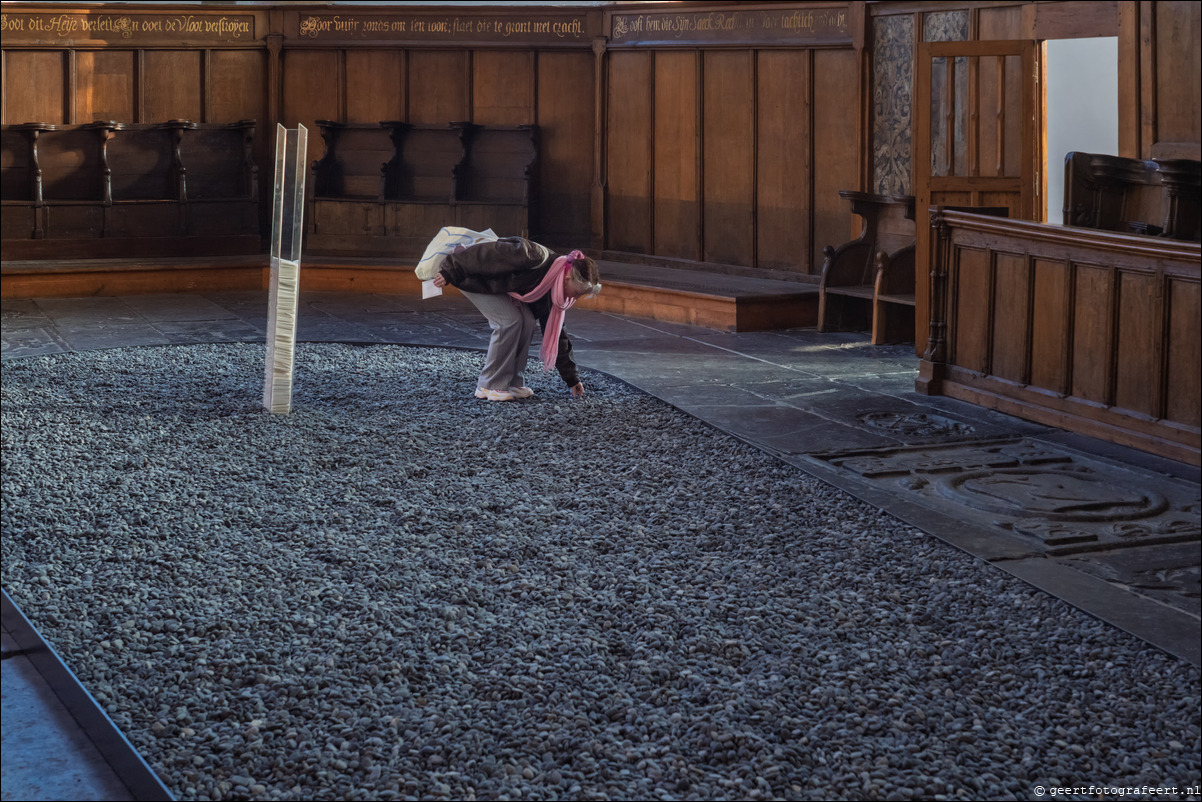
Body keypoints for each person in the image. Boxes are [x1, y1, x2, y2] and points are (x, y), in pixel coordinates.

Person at [431, 237, 601, 401]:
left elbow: (558, 337)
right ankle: (489, 384)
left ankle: (513, 382)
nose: (576, 299)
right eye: (578, 293)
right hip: (469, 275)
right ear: (568, 278)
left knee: (526, 321)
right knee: (509, 321)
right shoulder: (534, 256)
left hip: (497, 286)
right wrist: (450, 270)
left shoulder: (554, 291)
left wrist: (572, 379)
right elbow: (487, 253)